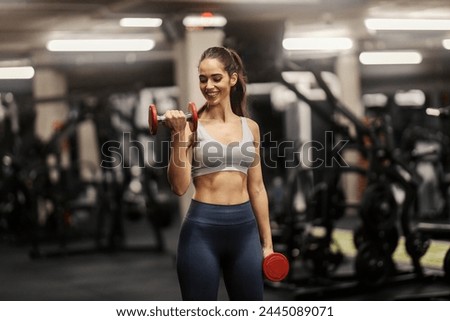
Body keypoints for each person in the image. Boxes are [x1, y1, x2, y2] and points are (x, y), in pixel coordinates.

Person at [163, 46, 273, 301]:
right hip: (202, 232)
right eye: (203, 79)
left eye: (216, 78)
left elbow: (257, 188)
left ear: (232, 79)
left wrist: (267, 244)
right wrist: (178, 136)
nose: (208, 86)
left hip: (245, 233)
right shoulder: (190, 128)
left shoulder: (251, 128)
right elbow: (179, 187)